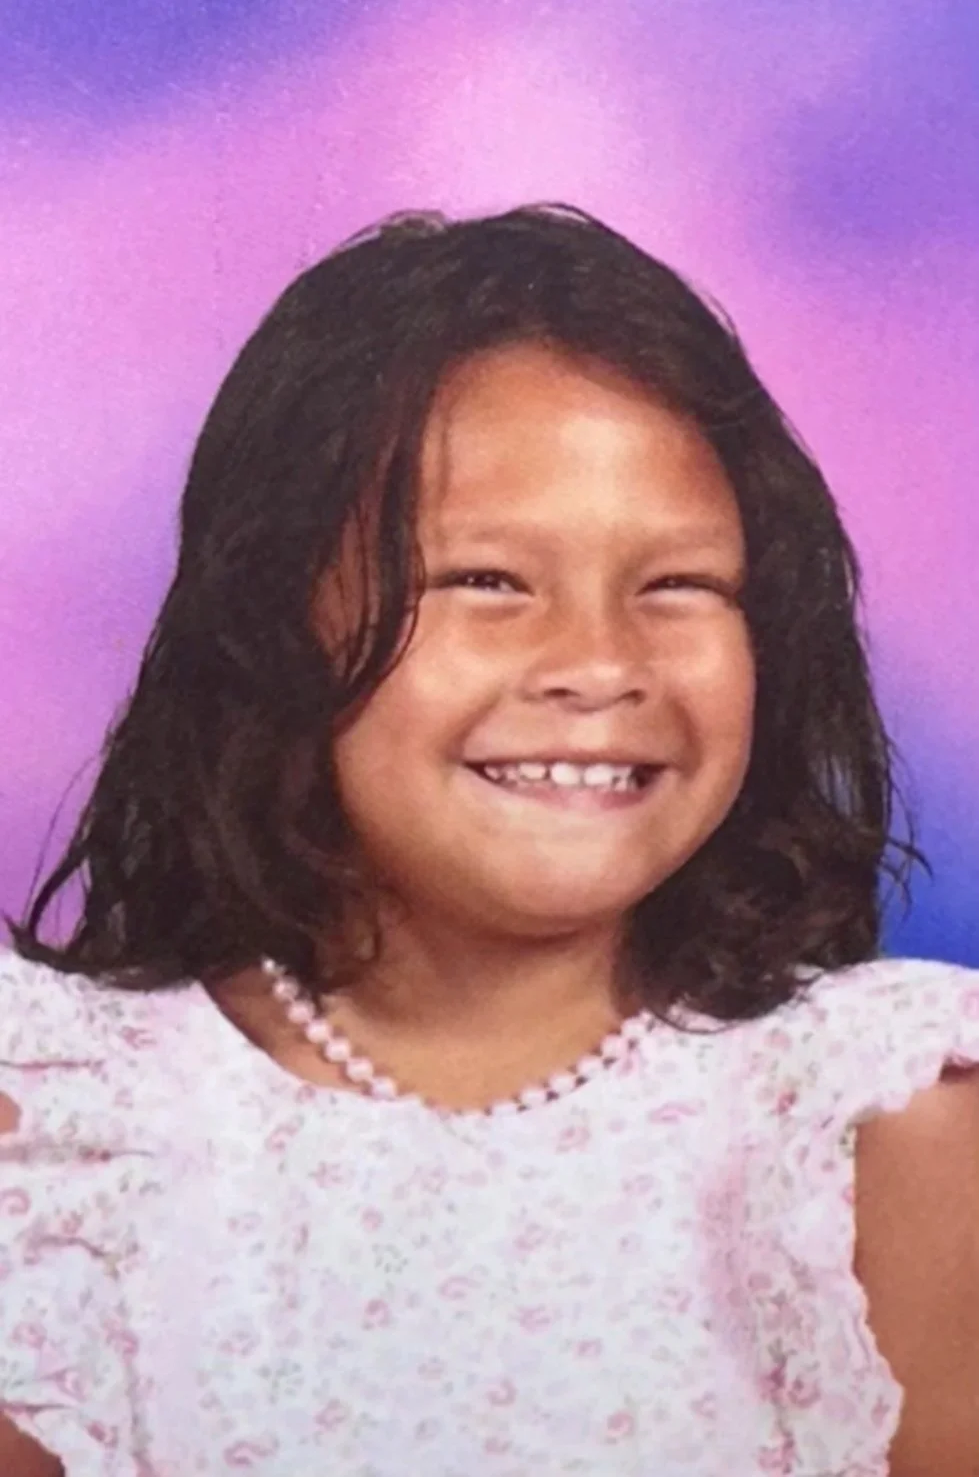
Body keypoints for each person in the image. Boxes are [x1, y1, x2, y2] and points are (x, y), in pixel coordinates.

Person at [1, 205, 976, 1477]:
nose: (598, 662)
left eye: (679, 585)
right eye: (487, 581)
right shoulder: (61, 1121)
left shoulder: (884, 1119)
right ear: (269, 623)